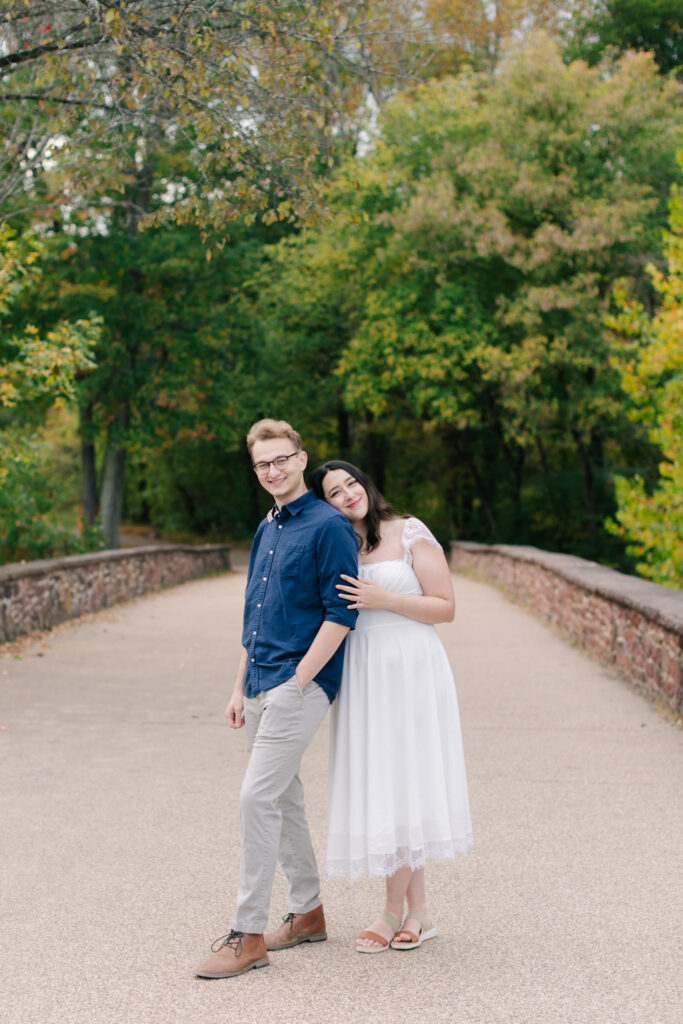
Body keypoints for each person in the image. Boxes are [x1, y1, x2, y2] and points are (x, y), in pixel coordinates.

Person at [195, 422, 359, 979]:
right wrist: (239, 686)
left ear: (300, 458)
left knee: (254, 799)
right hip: (260, 679)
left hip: (300, 684)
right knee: (283, 797)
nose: (273, 470)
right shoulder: (266, 527)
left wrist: (299, 683)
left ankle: (247, 935)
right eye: (263, 464)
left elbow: (341, 616)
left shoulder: (329, 526)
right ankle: (308, 910)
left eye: (282, 460)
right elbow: (255, 615)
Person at [308, 460, 473, 953]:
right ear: (327, 504)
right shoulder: (340, 545)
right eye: (334, 493)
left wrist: (384, 599)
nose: (347, 495)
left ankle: (389, 913)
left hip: (412, 665)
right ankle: (418, 913)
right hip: (365, 670)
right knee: (393, 782)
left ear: (365, 484)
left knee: (408, 777)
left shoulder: (408, 531)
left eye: (351, 483)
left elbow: (445, 606)